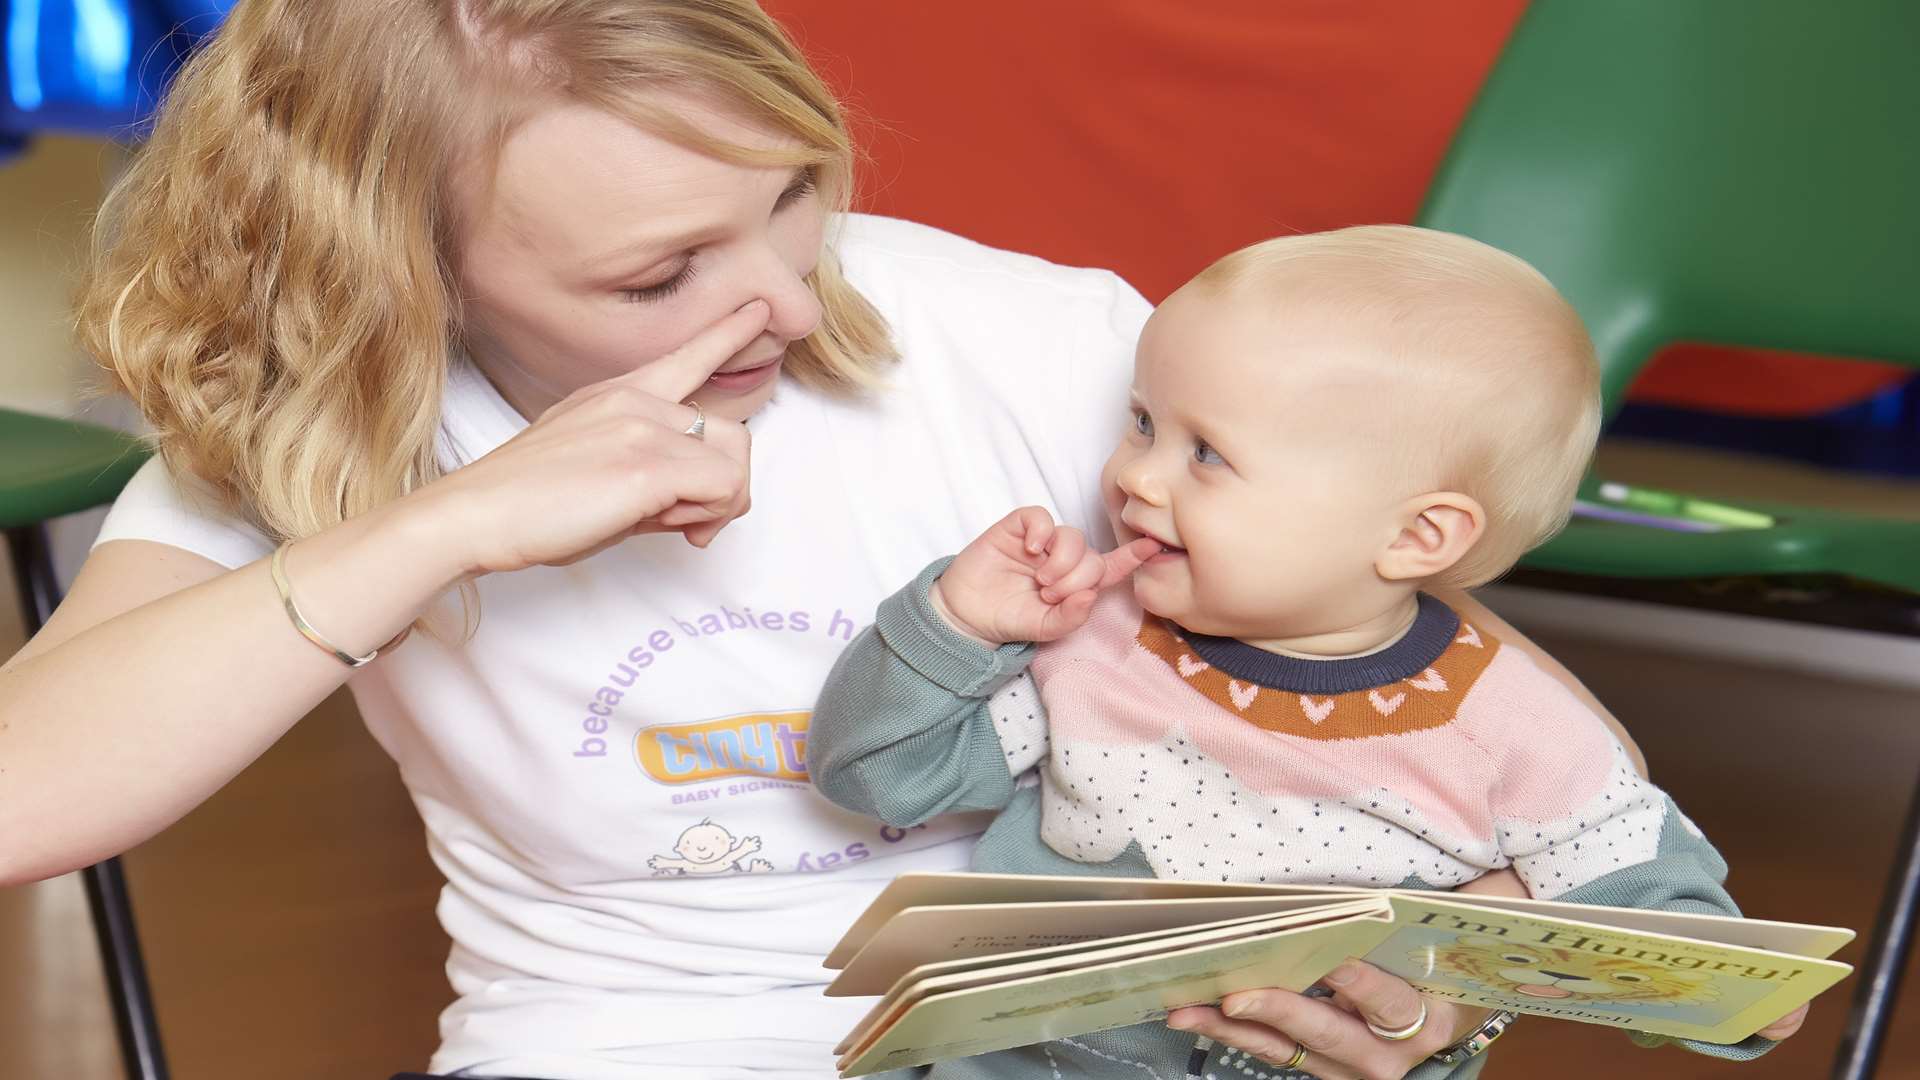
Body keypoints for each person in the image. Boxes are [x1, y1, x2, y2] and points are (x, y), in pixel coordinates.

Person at [0, 2, 1797, 1078]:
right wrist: (445, 524)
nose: (786, 296)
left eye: (793, 197)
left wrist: (1424, 997)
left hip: (1097, 1042)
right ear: (412, 273)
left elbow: (1439, 677)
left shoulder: (1055, 346)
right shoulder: (325, 437)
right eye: (659, 275)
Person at [808, 226, 1811, 1079]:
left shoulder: (1517, 726)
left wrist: (1735, 993)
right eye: (1143, 423)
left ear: (1418, 539)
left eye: (1205, 454)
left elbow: (1646, 898)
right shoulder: (1095, 644)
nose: (1134, 480)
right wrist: (956, 625)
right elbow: (876, 777)